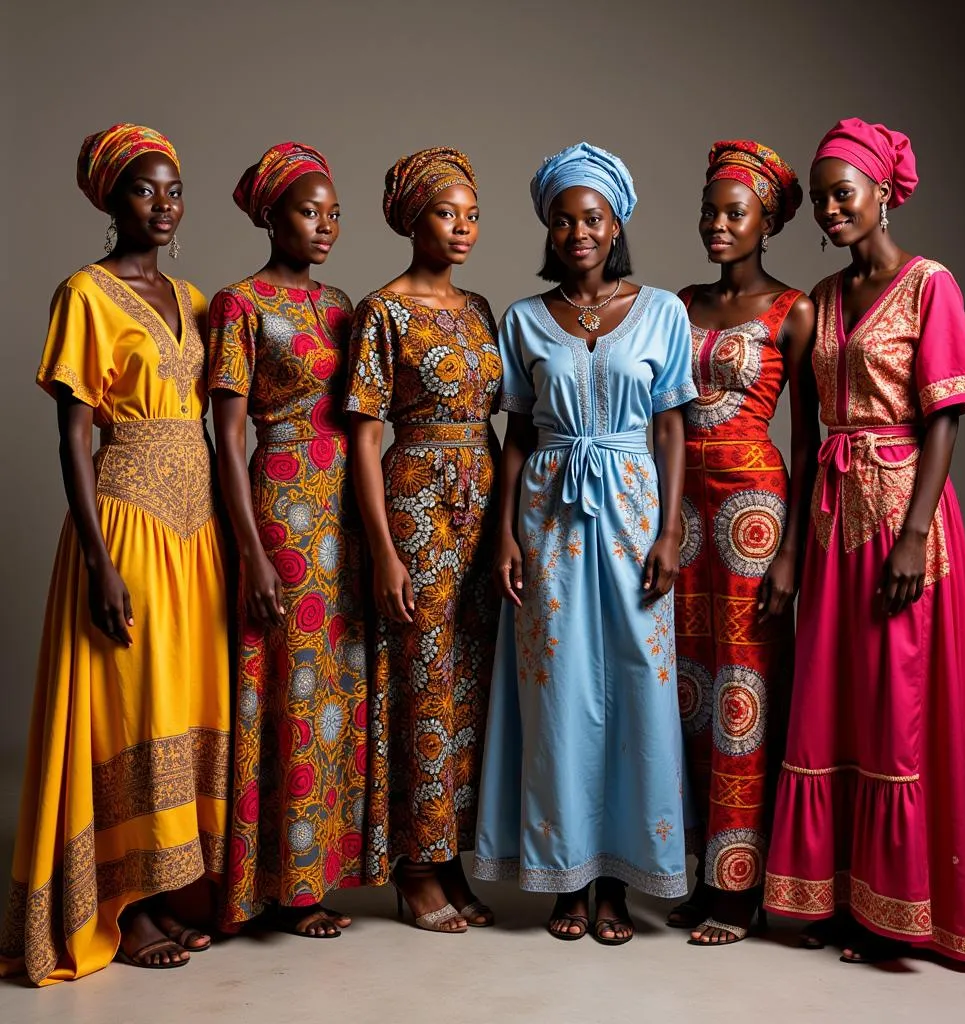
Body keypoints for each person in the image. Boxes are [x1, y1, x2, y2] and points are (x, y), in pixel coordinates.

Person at [763, 118, 965, 963]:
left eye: (846, 193)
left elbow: (945, 416)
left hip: (904, 517)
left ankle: (909, 907)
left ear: (882, 192)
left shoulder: (928, 283)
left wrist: (913, 535)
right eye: (823, 196)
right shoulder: (821, 302)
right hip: (831, 521)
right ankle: (838, 898)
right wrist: (792, 550)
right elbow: (804, 436)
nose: (832, 209)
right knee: (834, 700)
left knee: (901, 701)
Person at [0, 124, 230, 982]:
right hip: (124, 519)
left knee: (182, 702)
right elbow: (70, 438)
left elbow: (215, 419)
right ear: (109, 200)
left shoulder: (200, 299)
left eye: (173, 189)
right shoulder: (84, 294)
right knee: (124, 706)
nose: (164, 205)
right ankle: (116, 908)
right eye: (145, 190)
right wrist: (98, 560)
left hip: (197, 527)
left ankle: (171, 890)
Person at [473, 142, 696, 945]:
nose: (578, 233)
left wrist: (671, 529)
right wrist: (503, 533)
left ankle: (618, 883)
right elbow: (518, 433)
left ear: (617, 224)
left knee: (638, 690)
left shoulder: (664, 312)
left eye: (592, 218)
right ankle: (567, 879)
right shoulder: (525, 319)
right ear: (548, 228)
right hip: (549, 521)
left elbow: (670, 425)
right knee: (559, 696)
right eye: (563, 220)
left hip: (636, 514)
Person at [208, 142, 370, 938]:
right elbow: (226, 439)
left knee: (333, 692)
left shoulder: (343, 305)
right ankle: (273, 886)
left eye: (333, 213)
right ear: (272, 215)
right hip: (284, 508)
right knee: (286, 689)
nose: (325, 225)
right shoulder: (238, 305)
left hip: (346, 508)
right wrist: (253, 551)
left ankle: (313, 874)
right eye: (310, 211)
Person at [345, 147, 501, 933]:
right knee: (422, 683)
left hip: (481, 501)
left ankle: (453, 857)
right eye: (448, 212)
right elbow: (364, 437)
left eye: (473, 215)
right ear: (413, 218)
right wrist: (382, 549)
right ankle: (414, 865)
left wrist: (506, 522)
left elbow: (499, 422)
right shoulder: (383, 310)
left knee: (471, 681)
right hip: (417, 502)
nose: (464, 228)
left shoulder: (479, 310)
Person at [669, 140, 817, 945]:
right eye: (710, 211)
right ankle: (697, 871)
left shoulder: (793, 310)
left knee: (744, 698)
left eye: (736, 213)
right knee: (687, 692)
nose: (718, 225)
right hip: (680, 514)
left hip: (753, 512)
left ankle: (739, 887)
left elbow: (807, 440)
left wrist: (791, 550)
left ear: (767, 221)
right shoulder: (681, 300)